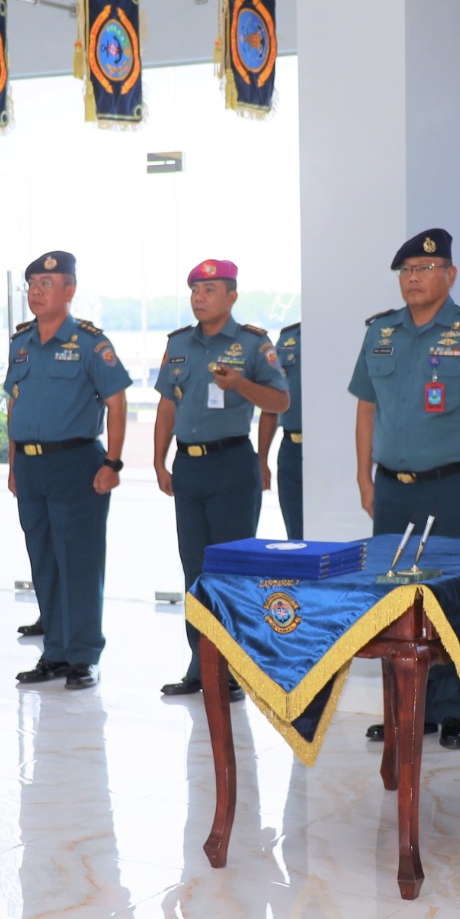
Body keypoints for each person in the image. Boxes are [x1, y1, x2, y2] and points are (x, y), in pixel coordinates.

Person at [347, 227, 460, 749]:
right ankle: (405, 710)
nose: (413, 279)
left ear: (450, 274)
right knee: (394, 603)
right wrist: (363, 477)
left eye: (424, 269)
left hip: (456, 487)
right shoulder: (380, 332)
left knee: (455, 598)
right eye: (406, 271)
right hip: (393, 489)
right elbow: (366, 408)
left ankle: (454, 711)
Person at [154, 258, 289, 698]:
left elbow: (280, 401)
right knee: (195, 570)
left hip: (231, 465)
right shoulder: (179, 344)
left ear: (232, 296)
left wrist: (241, 385)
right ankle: (200, 666)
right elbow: (167, 406)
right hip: (188, 467)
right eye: (195, 289)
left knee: (231, 571)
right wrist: (159, 461)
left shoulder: (252, 344)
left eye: (210, 290)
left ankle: (232, 670)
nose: (200, 297)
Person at [5, 251, 132, 690]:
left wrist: (113, 463)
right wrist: (13, 462)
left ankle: (83, 655)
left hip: (77, 463)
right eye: (32, 285)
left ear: (69, 290)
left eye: (46, 284)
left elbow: (117, 403)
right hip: (30, 465)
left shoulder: (91, 343)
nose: (36, 292)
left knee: (79, 561)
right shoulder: (21, 343)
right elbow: (15, 403)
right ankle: (55, 652)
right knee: (43, 560)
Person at [255, 319, 303, 539]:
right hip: (291, 448)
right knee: (296, 535)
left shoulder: (339, 333)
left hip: (329, 451)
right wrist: (262, 458)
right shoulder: (287, 340)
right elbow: (271, 404)